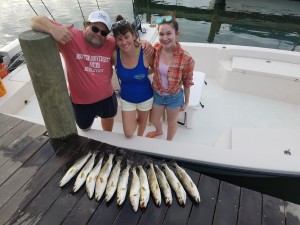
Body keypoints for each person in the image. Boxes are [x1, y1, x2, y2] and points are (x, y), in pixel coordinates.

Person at [30, 10, 153, 132]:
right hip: (80, 102)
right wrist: (53, 29)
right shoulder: (70, 37)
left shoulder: (110, 43)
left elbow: (129, 44)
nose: (99, 34)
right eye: (95, 29)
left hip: (107, 98)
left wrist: (144, 42)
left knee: (109, 120)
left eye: (104, 32)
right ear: (86, 25)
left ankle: (106, 138)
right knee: (85, 128)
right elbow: (34, 21)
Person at [146, 12, 195, 141]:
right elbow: (154, 68)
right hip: (157, 93)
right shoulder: (155, 50)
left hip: (174, 97)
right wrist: (141, 74)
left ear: (176, 34)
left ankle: (168, 142)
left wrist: (187, 101)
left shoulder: (186, 58)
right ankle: (158, 131)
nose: (165, 38)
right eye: (161, 34)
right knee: (153, 119)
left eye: (169, 33)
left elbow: (187, 82)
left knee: (171, 123)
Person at [111, 15, 153, 138]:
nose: (124, 42)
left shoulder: (145, 52)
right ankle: (131, 128)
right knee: (128, 133)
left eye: (126, 37)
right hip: (126, 99)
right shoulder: (114, 55)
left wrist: (144, 73)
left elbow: (156, 68)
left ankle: (139, 137)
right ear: (116, 41)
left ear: (134, 35)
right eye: (119, 39)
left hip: (146, 97)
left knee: (142, 123)